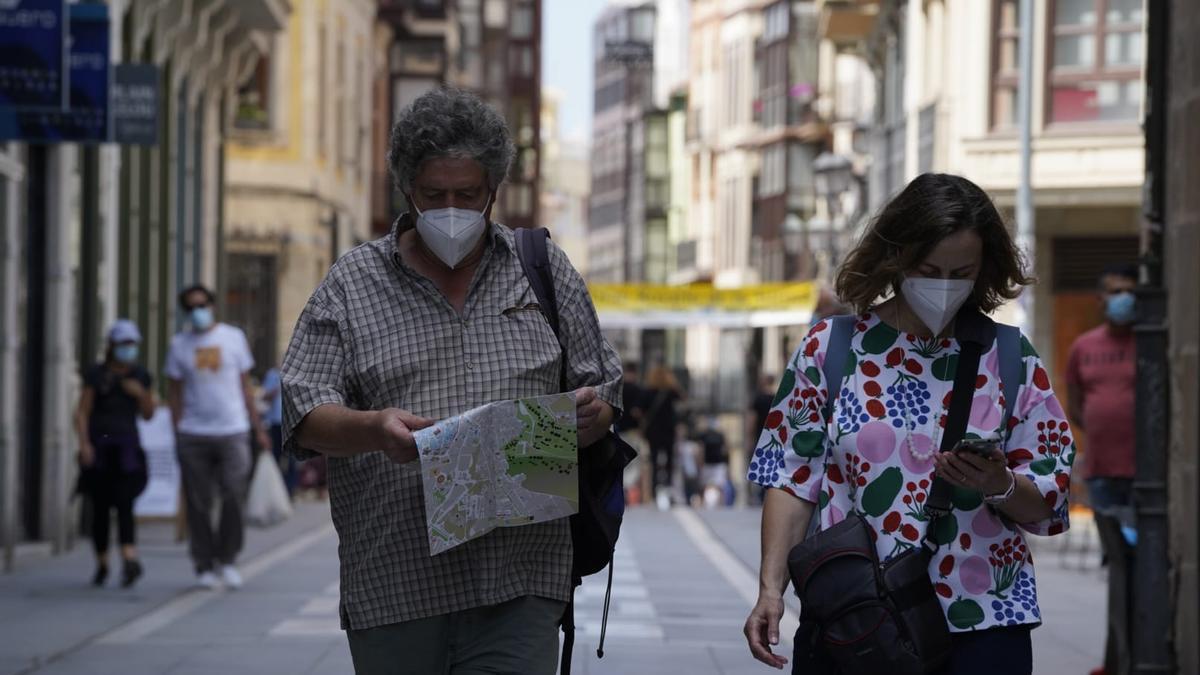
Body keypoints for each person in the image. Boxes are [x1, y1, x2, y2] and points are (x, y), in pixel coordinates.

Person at [280, 87, 622, 675]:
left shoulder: (540, 268)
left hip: (521, 577)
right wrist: (374, 430)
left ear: (494, 190)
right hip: (397, 582)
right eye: (434, 195)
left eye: (468, 194)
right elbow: (302, 407)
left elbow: (605, 385)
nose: (451, 209)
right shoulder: (353, 282)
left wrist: (595, 415)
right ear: (406, 189)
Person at [743, 173, 1075, 675]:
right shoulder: (831, 349)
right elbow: (792, 478)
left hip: (985, 621)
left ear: (983, 268)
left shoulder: (1011, 358)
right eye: (929, 268)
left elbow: (1049, 502)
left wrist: (999, 483)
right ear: (896, 256)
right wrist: (771, 589)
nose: (943, 286)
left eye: (960, 272)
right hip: (855, 615)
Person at [165, 284, 270, 591]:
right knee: (198, 502)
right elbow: (174, 392)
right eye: (191, 306)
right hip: (194, 433)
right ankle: (203, 563)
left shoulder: (232, 338)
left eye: (202, 304)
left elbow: (245, 387)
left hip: (233, 429)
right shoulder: (179, 345)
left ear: (211, 305)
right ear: (186, 311)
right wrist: (177, 430)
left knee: (233, 495)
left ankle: (228, 559)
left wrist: (258, 429)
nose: (198, 311)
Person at [1065, 263, 1138, 675]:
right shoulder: (1084, 347)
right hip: (1104, 474)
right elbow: (1076, 403)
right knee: (1120, 571)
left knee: (1141, 569)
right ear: (1100, 298)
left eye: (1128, 291)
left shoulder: (1151, 343)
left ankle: (1131, 657)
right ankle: (1119, 660)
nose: (1121, 298)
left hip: (1147, 480)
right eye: (1114, 291)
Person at [74, 320, 155, 588]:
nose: (128, 349)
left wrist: (141, 393)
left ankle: (129, 558)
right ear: (112, 345)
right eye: (123, 344)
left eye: (132, 344)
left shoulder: (140, 375)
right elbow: (82, 411)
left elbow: (149, 413)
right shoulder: (96, 375)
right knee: (99, 507)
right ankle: (103, 562)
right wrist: (84, 444)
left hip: (127, 448)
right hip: (100, 447)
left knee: (124, 503)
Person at [642, 365, 685, 510]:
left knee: (654, 461)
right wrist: (673, 382)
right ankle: (668, 489)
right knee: (669, 462)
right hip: (668, 430)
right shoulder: (670, 391)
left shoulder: (648, 391)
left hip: (653, 431)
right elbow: (682, 398)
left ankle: (654, 493)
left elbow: (638, 409)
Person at [260, 367, 296, 498]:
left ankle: (289, 491)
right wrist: (274, 391)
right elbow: (264, 396)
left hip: (290, 423)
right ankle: (275, 492)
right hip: (275, 423)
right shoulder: (272, 374)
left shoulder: (295, 373)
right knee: (275, 458)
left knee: (292, 459)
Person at [696, 416, 731, 508]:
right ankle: (717, 504)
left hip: (716, 464)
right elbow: (701, 449)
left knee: (718, 486)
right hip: (711, 464)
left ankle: (720, 504)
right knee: (707, 486)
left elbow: (725, 449)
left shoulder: (717, 435)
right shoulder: (712, 435)